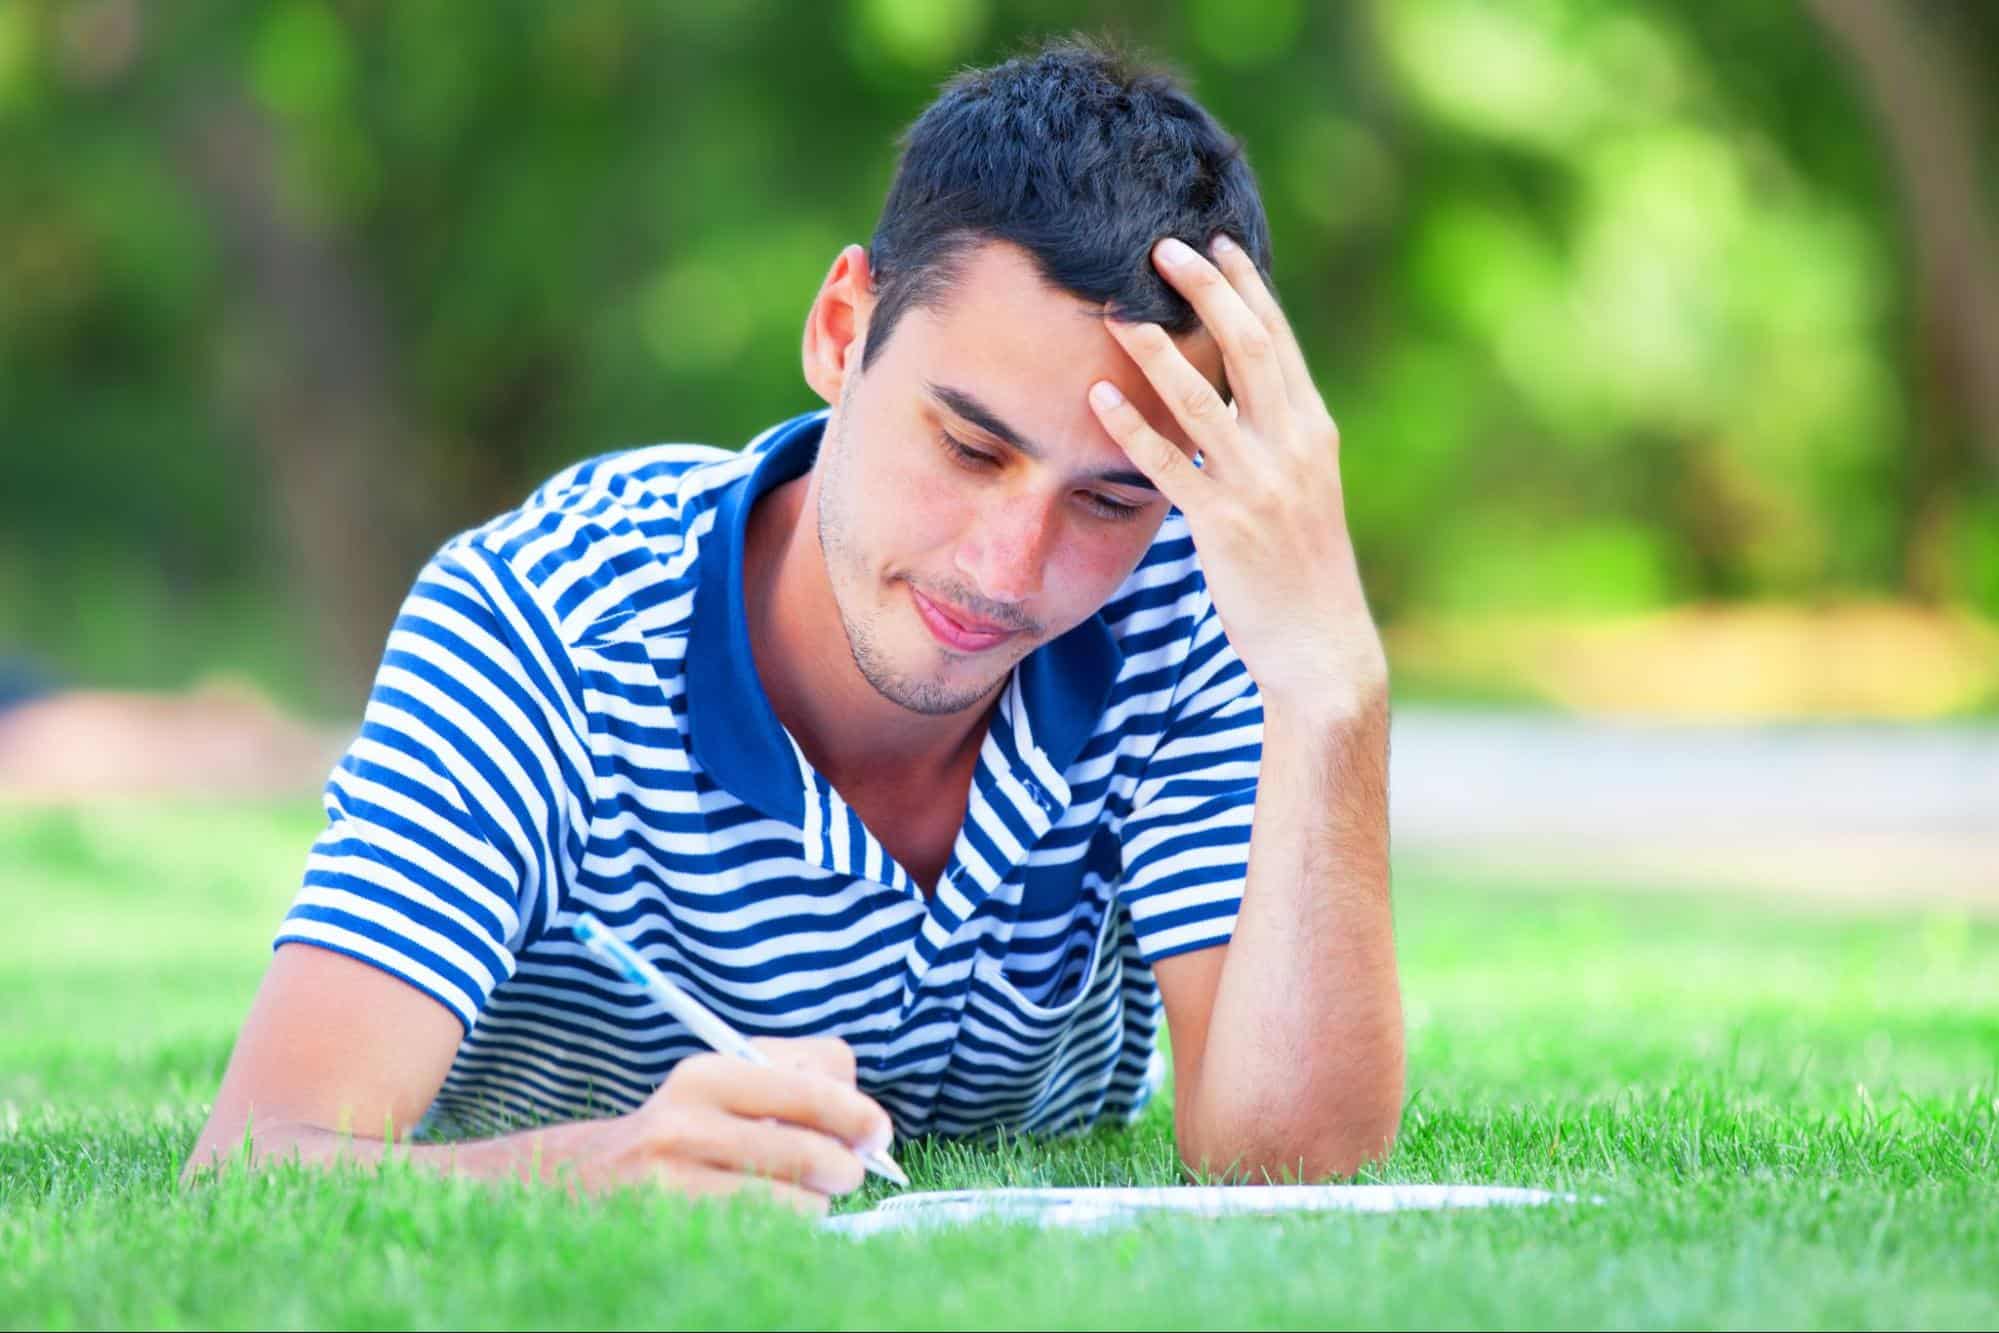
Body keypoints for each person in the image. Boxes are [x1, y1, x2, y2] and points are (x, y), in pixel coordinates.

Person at [185, 37, 1403, 1213]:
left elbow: (1282, 1157)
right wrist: (608, 1173)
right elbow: (256, 1164)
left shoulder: (1185, 609)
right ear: (840, 333)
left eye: (1106, 497)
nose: (1005, 568)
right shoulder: (539, 623)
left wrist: (1330, 681)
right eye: (969, 446)